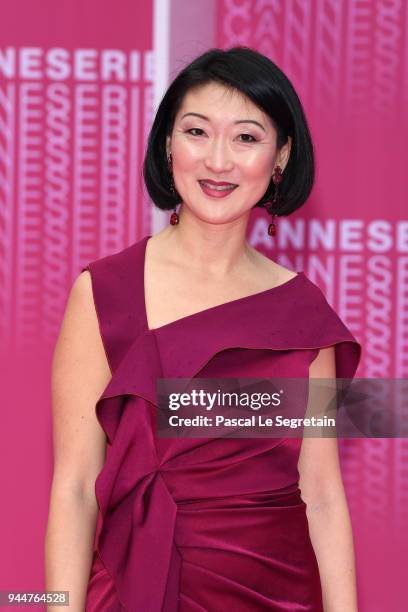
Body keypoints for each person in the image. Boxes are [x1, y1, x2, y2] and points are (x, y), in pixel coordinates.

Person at [45, 47, 362, 611]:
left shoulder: (301, 312)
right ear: (168, 145)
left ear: (280, 157)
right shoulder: (105, 292)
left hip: (275, 591)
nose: (219, 161)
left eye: (246, 137)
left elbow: (322, 493)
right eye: (197, 132)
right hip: (135, 584)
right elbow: (74, 488)